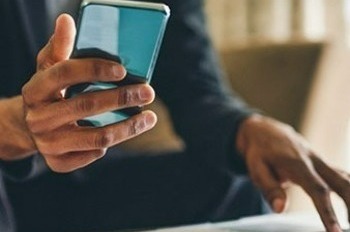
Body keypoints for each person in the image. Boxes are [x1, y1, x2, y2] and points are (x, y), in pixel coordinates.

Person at [0, 0, 349, 232]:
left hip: (85, 177)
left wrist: (246, 127)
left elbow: (194, 86)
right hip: (6, 173)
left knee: (234, 187)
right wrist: (15, 125)